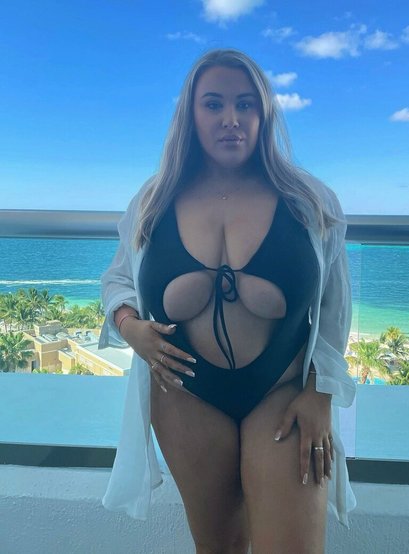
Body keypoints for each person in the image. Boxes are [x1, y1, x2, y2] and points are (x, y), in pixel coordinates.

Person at [98, 48, 356, 554]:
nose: (231, 119)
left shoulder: (309, 202)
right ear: (190, 115)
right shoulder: (153, 200)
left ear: (265, 115)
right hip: (185, 396)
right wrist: (130, 328)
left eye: (246, 104)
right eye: (214, 104)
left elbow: (334, 310)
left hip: (283, 396)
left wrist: (320, 393)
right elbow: (117, 279)